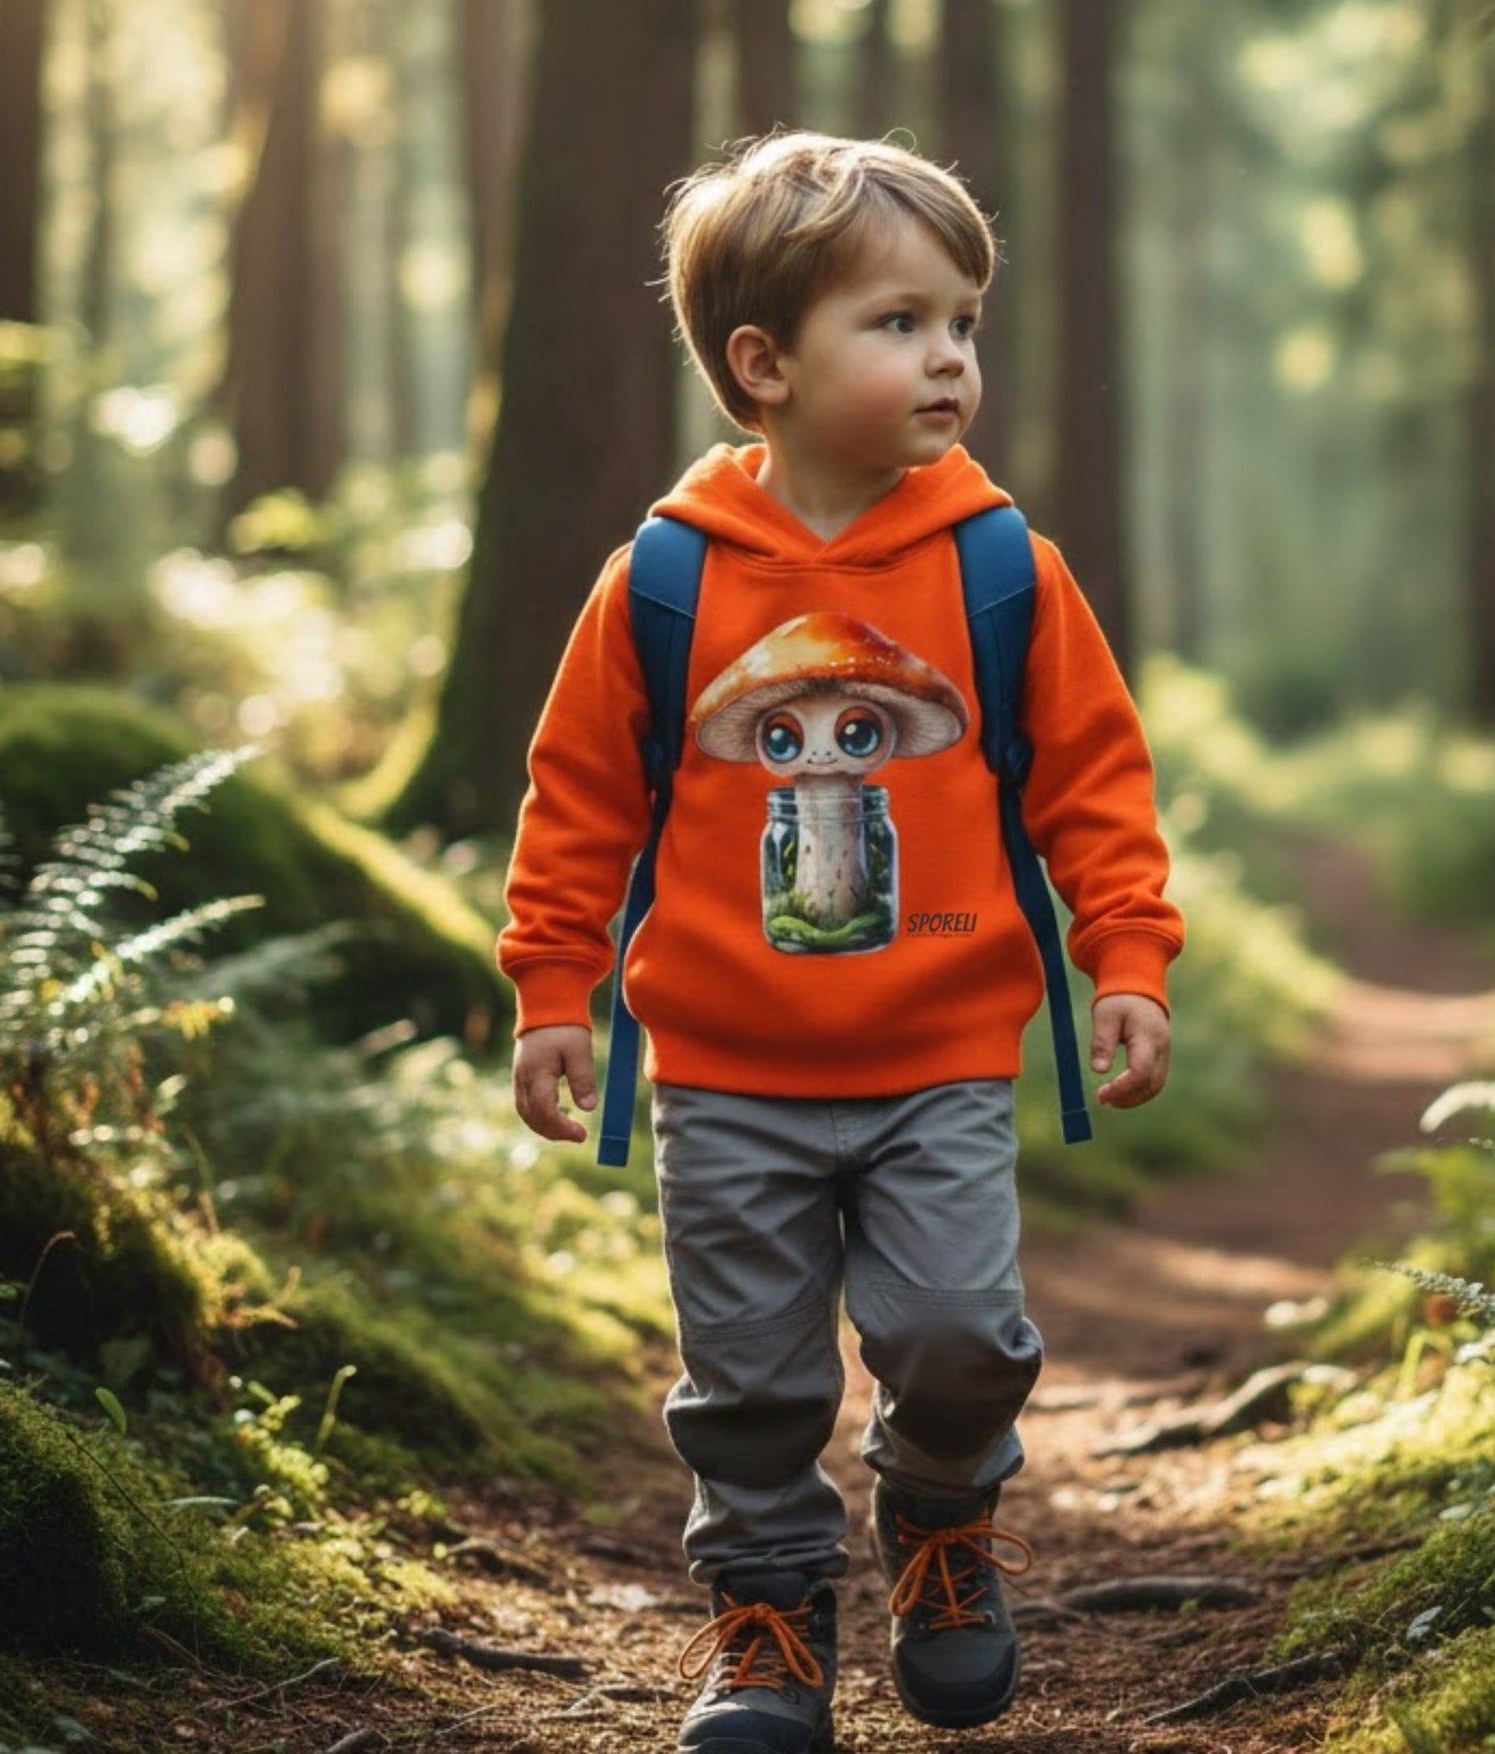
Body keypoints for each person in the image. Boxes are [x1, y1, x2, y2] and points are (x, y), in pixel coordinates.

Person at [497, 131, 1182, 1753]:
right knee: (747, 1380)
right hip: (722, 1071)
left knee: (957, 1336)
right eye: (898, 321)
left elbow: (1092, 781)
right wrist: (549, 987)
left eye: (963, 322)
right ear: (765, 364)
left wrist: (1127, 959)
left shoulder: (1001, 568)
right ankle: (767, 1624)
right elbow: (579, 799)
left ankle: (940, 1519)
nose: (948, 356)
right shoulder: (662, 581)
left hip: (939, 1056)